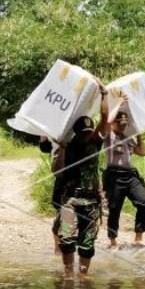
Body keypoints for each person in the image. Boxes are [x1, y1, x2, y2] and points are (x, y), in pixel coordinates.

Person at [56, 80, 111, 278]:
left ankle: (80, 275)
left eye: (90, 131)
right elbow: (104, 119)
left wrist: (105, 95)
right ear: (80, 132)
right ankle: (71, 274)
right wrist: (104, 95)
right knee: (67, 239)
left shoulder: (90, 142)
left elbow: (105, 118)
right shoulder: (69, 144)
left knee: (86, 242)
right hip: (71, 200)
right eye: (86, 132)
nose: (89, 134)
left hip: (87, 200)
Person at [102, 96, 145, 248]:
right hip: (114, 176)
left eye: (125, 124)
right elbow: (108, 121)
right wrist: (118, 104)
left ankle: (138, 237)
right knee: (114, 208)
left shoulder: (127, 138)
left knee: (144, 203)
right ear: (115, 123)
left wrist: (139, 134)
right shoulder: (109, 137)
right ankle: (112, 240)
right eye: (120, 123)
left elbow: (142, 152)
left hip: (130, 176)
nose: (123, 126)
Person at [39, 136, 66, 253]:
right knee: (60, 210)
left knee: (67, 214)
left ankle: (63, 247)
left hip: (75, 175)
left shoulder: (77, 129)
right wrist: (43, 136)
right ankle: (58, 248)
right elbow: (45, 148)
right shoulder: (55, 129)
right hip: (60, 175)